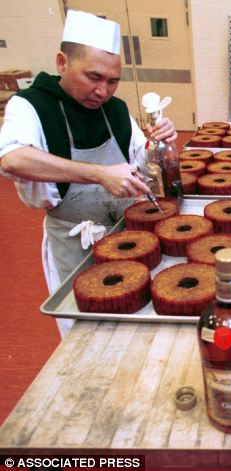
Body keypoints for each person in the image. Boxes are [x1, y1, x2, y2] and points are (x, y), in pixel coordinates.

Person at [0, 10, 177, 337]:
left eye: (112, 81)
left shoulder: (116, 109)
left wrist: (158, 142)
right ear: (62, 62)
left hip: (129, 237)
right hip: (75, 246)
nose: (103, 91)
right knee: (87, 331)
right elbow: (12, 158)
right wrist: (98, 173)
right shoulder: (30, 106)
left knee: (133, 323)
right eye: (93, 77)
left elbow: (141, 164)